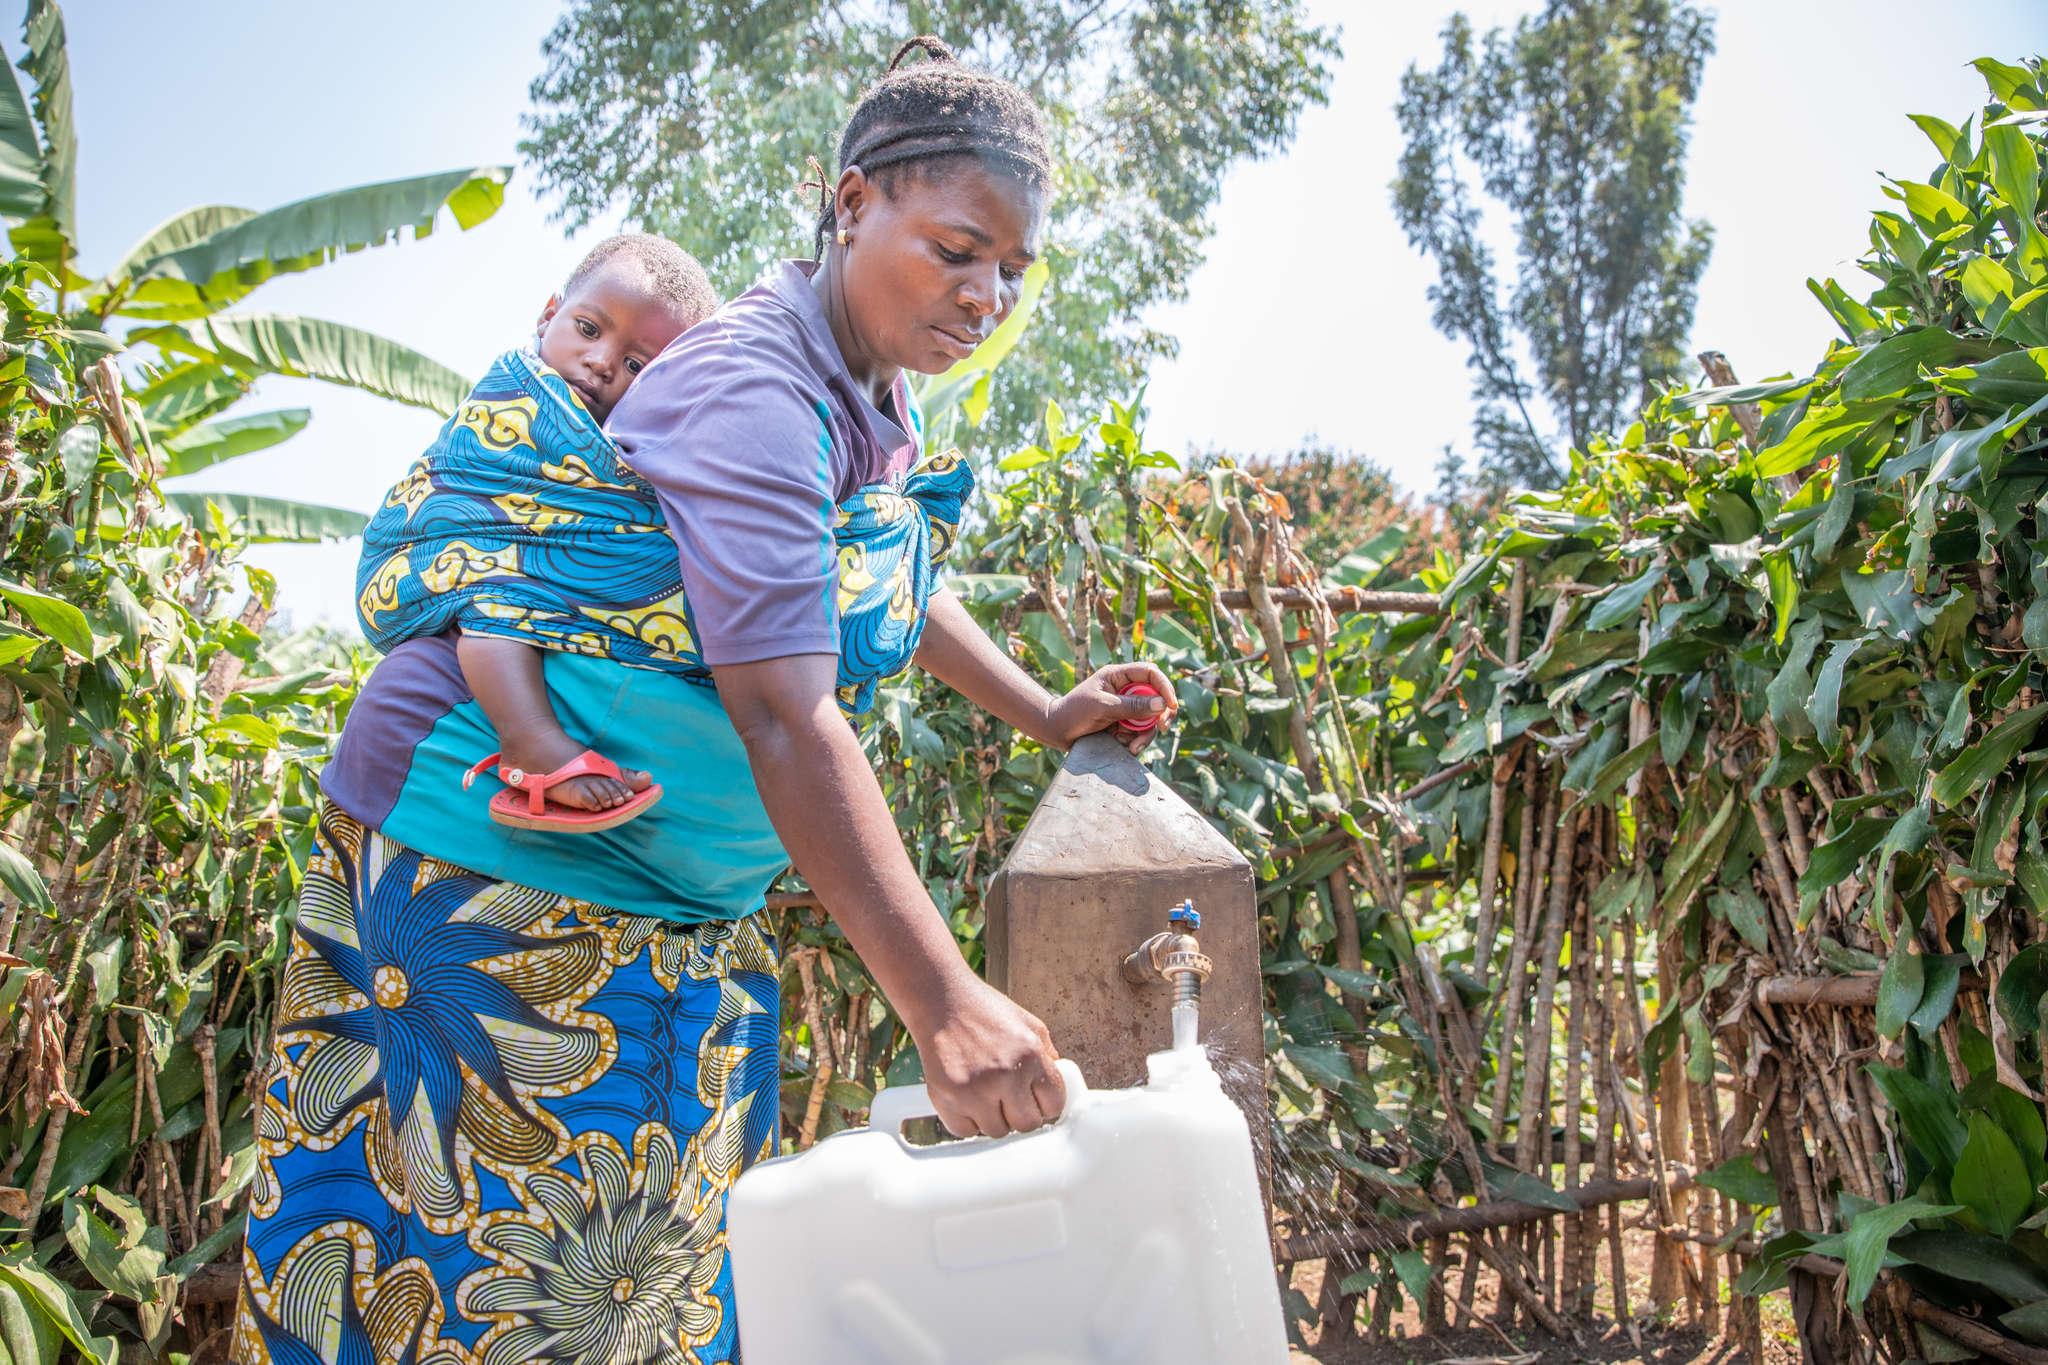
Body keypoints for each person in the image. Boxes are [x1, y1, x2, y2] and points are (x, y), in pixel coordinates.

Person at [234, 37, 1176, 1365]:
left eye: (1013, 271)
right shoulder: (754, 387)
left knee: (630, 1291)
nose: (987, 295)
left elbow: (873, 562)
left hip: (657, 902)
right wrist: (943, 998)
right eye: (959, 249)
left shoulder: (863, 393)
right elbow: (785, 712)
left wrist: (1043, 710)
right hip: (485, 874)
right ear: (854, 205)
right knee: (474, 1290)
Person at [356, 233, 717, 830]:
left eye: (636, 365)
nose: (601, 361)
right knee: (500, 592)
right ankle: (530, 741)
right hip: (448, 552)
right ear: (550, 314)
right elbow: (469, 488)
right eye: (589, 328)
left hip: (545, 580)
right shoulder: (515, 399)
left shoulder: (640, 447)